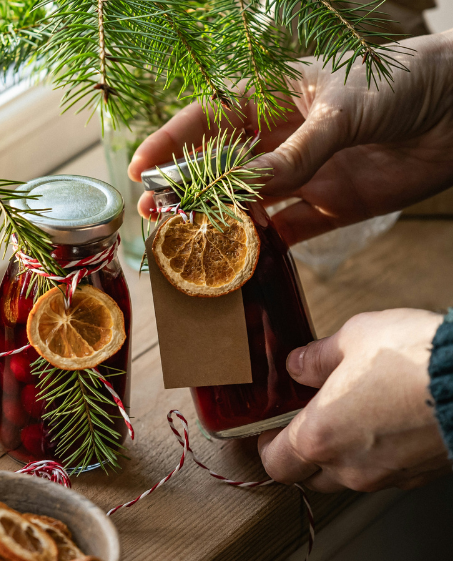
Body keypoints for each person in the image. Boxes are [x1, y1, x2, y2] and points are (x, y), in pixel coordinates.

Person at [128, 30, 453, 493]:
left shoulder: (249, 216)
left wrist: (441, 382)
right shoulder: (174, 228)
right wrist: (446, 77)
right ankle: (232, 412)